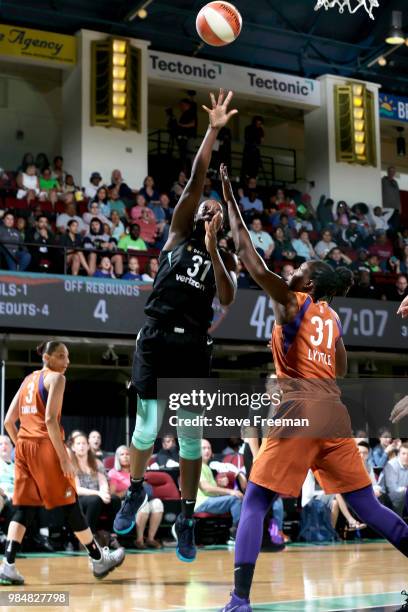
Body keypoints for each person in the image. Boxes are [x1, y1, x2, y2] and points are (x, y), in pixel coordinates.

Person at [220, 163, 408, 612]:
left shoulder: (293, 301)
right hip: (333, 411)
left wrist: (230, 197)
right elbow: (339, 366)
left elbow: (249, 256)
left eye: (298, 269)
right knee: (367, 506)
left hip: (300, 406)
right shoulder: (333, 318)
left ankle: (238, 601)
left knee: (255, 500)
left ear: (309, 283)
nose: (289, 272)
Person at [113, 90, 238, 565]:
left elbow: (226, 299)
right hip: (158, 334)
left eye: (216, 213)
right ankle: (136, 491)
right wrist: (212, 130)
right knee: (145, 430)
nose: (209, 210)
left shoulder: (221, 257)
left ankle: (185, 516)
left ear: (221, 225)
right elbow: (195, 183)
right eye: (206, 208)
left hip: (192, 348)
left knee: (189, 438)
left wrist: (218, 250)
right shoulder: (180, 234)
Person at [0, 341, 124, 585]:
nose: (66, 362)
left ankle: (8, 566)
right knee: (69, 503)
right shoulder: (57, 379)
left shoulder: (28, 379)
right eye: (60, 356)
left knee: (25, 508)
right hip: (45, 445)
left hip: (24, 446)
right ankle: (99, 560)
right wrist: (63, 458)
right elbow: (50, 421)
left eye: (67, 357)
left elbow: (8, 421)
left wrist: (23, 449)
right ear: (47, 357)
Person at [70, 432, 121, 548]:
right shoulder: (71, 464)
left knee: (115, 499)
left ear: (88, 446)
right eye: (78, 444)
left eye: (84, 443)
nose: (81, 446)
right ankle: (88, 539)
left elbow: (103, 481)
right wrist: (99, 493)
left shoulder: (97, 462)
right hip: (80, 498)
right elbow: (77, 489)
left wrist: (104, 492)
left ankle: (110, 535)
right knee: (95, 500)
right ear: (73, 447)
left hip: (97, 496)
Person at [109, 446, 163, 549]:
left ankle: (151, 539)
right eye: (122, 454)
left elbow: (144, 487)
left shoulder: (137, 471)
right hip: (125, 502)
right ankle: (139, 539)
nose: (125, 457)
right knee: (143, 506)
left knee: (157, 503)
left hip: (140, 498)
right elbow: (113, 495)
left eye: (128, 454)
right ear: (117, 458)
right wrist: (130, 489)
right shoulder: (114, 473)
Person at [194, 440, 242, 541]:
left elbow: (213, 491)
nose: (207, 451)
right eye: (203, 448)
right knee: (235, 499)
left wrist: (221, 485)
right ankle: (236, 534)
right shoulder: (196, 465)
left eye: (209, 448)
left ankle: (237, 531)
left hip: (208, 501)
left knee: (237, 499)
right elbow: (206, 488)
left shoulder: (206, 467)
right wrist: (230, 491)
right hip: (201, 503)